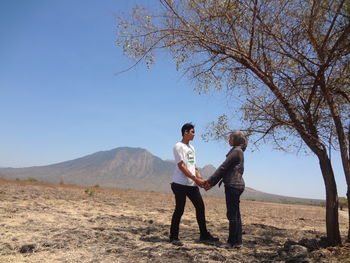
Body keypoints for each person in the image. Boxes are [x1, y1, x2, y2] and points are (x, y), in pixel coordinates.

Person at [169, 123, 218, 245]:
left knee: (200, 207)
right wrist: (196, 179)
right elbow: (181, 166)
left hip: (192, 185)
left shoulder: (192, 148)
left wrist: (201, 180)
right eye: (192, 132)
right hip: (180, 184)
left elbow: (193, 166)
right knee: (179, 209)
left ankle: (204, 235)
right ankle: (173, 237)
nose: (194, 134)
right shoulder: (178, 146)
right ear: (185, 132)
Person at [204, 130, 247, 249]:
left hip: (233, 185)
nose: (229, 140)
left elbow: (223, 168)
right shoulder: (239, 151)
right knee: (236, 215)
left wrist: (210, 182)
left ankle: (231, 242)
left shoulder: (236, 151)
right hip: (236, 185)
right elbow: (227, 169)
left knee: (232, 215)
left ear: (235, 139)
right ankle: (238, 242)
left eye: (230, 138)